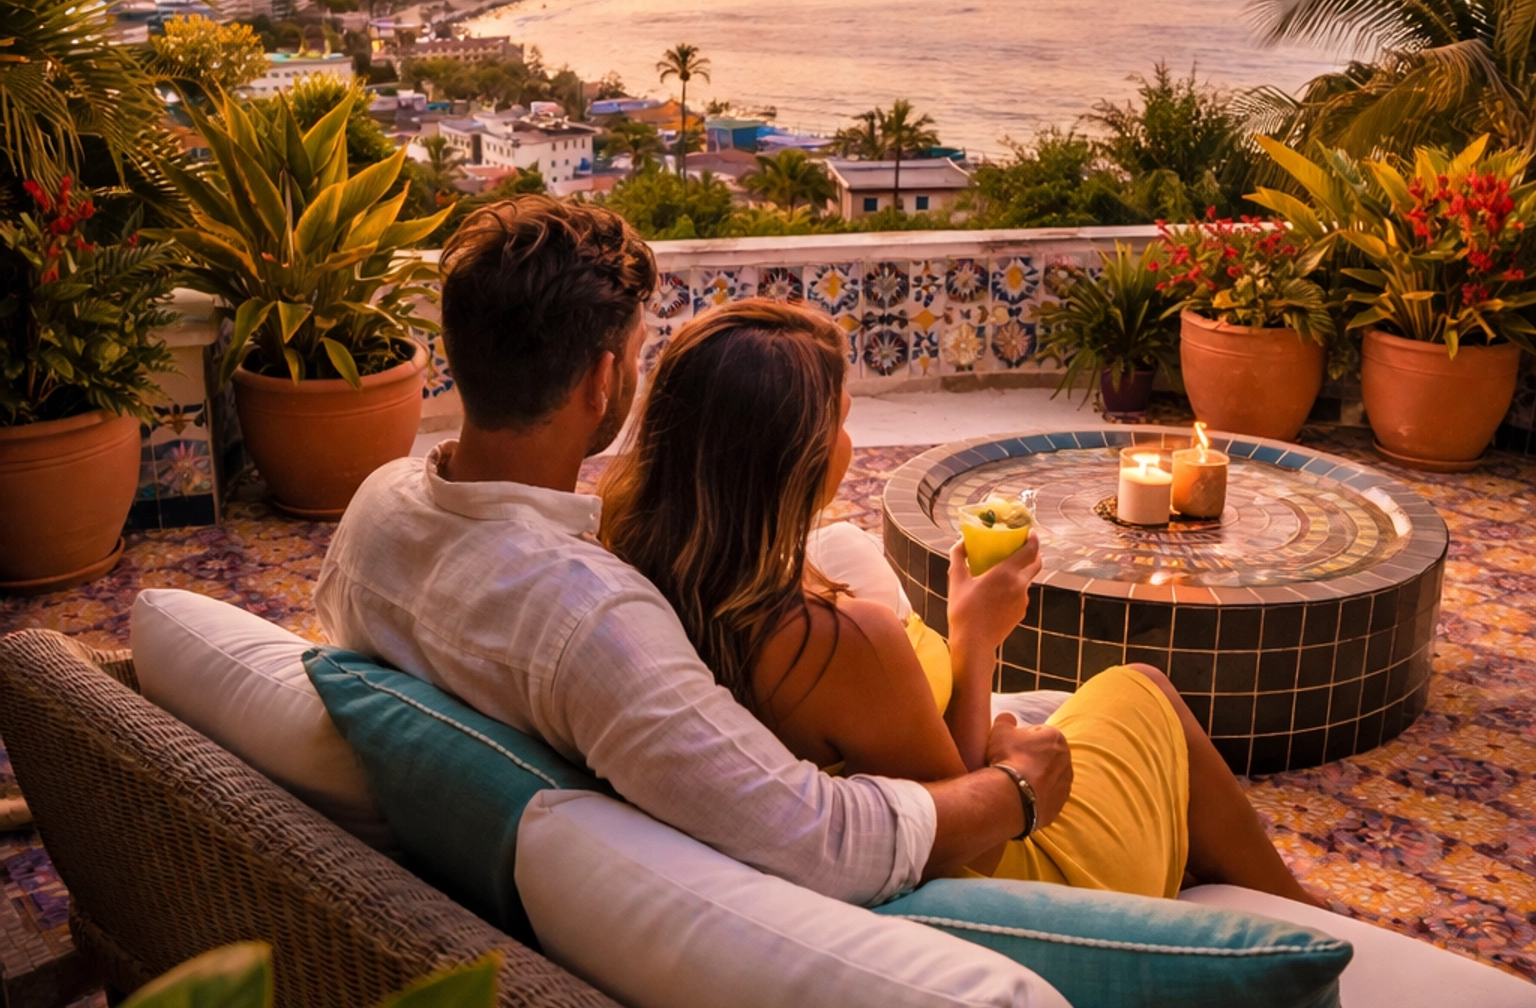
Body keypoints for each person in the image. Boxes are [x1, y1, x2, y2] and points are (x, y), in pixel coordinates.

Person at [316, 195, 1072, 906]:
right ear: (602, 378)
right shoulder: (591, 619)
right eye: (638, 354)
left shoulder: (377, 511)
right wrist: (1017, 789)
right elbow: (820, 839)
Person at [600, 297, 1319, 905]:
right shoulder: (838, 642)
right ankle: (1306, 916)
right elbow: (957, 833)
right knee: (1145, 693)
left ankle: (1254, 887)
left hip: (943, 824)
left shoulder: (645, 567)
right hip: (1018, 868)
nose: (849, 443)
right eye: (841, 423)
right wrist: (976, 638)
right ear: (794, 460)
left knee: (1126, 700)